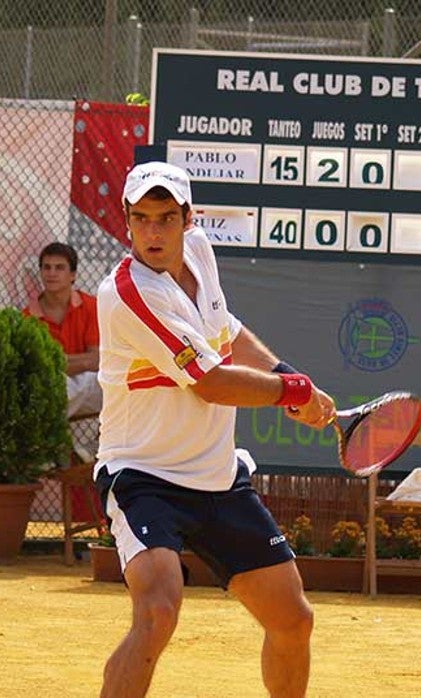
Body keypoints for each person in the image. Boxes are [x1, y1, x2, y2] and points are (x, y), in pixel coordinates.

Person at [92, 161, 336, 698]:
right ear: (127, 223)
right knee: (157, 611)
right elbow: (209, 381)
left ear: (187, 219)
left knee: (294, 619)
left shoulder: (200, 252)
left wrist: (286, 375)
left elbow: (228, 332)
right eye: (140, 219)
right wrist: (293, 394)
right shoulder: (127, 294)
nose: (152, 233)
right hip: (144, 476)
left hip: (217, 479)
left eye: (164, 218)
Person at [22, 241, 103, 420]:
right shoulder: (28, 317)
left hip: (89, 386)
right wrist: (84, 363)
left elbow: (98, 360)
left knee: (107, 381)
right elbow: (40, 368)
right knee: (55, 385)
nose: (51, 273)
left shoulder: (91, 306)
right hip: (56, 386)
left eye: (59, 268)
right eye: (46, 267)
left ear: (72, 275)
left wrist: (61, 362)